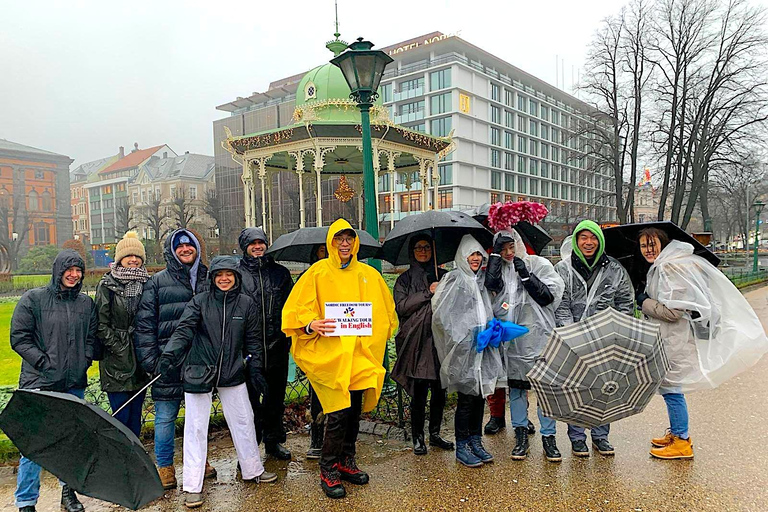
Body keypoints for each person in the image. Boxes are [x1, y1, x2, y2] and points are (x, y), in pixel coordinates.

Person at [282, 219, 397, 499]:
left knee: (354, 411)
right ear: (331, 243)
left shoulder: (368, 274)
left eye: (349, 238)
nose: (344, 244)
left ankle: (347, 460)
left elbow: (385, 311)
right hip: (330, 356)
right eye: (339, 239)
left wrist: (374, 336)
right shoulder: (318, 273)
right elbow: (296, 309)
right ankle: (328, 467)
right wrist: (312, 325)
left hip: (359, 356)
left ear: (354, 242)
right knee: (337, 412)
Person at [636, 227, 768, 460]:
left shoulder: (670, 268)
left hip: (673, 340)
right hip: (667, 338)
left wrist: (644, 301)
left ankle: (682, 440)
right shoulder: (663, 266)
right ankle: (677, 434)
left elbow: (673, 311)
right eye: (644, 245)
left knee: (672, 389)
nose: (648, 249)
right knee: (669, 388)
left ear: (663, 243)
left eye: (652, 244)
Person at [156, 256, 277, 508]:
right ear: (213, 278)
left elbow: (253, 341)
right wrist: (170, 355)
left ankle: (253, 469)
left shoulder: (246, 304)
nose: (224, 278)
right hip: (200, 371)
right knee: (196, 429)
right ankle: (192, 485)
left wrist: (255, 369)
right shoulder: (199, 301)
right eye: (219, 274)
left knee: (244, 420)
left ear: (236, 277)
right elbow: (184, 330)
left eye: (229, 274)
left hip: (232, 372)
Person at [11, 249, 98, 512]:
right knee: (34, 446)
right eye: (68, 270)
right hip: (40, 382)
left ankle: (68, 494)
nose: (73, 275)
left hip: (73, 383)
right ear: (58, 271)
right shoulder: (34, 299)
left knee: (70, 443)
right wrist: (42, 362)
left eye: (78, 270)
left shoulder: (85, 304)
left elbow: (92, 338)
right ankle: (26, 501)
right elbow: (20, 337)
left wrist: (85, 359)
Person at [135, 229, 212, 489]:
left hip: (200, 361)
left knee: (198, 418)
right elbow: (144, 326)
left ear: (196, 249)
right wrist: (153, 363)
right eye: (179, 247)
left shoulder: (208, 279)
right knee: (165, 418)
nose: (185, 250)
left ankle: (200, 461)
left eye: (189, 246)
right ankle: (165, 467)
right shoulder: (156, 283)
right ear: (172, 250)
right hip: (167, 362)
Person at [554, 220, 633, 457]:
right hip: (574, 340)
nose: (588, 243)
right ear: (576, 241)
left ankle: (601, 436)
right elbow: (561, 305)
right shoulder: (563, 269)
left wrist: (617, 332)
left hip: (605, 340)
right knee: (576, 389)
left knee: (603, 389)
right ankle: (577, 437)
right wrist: (573, 335)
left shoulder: (615, 269)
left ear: (600, 241)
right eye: (583, 238)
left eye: (593, 238)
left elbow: (625, 303)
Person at [485, 229, 564, 462]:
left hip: (540, 338)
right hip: (513, 343)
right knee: (517, 389)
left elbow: (551, 296)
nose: (509, 253)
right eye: (504, 249)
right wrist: (494, 267)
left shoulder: (539, 264)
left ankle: (549, 437)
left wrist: (527, 276)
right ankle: (520, 436)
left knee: (545, 389)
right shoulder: (500, 270)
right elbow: (491, 300)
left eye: (512, 247)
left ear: (520, 244)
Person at [432, 234, 506, 468]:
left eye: (478, 254)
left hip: (483, 350)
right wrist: (467, 336)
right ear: (462, 257)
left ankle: (476, 440)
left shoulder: (481, 280)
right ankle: (462, 444)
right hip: (464, 352)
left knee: (479, 397)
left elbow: (487, 308)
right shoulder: (454, 280)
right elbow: (443, 316)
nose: (475, 259)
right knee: (466, 400)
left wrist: (491, 329)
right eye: (471, 254)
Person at [391, 235, 453, 456]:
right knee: (419, 393)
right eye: (419, 248)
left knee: (439, 391)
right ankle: (418, 437)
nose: (423, 251)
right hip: (416, 341)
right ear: (412, 251)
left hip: (440, 340)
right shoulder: (404, 280)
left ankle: (435, 434)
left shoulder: (444, 276)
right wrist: (429, 292)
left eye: (427, 247)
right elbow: (401, 307)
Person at [237, 227, 294, 460]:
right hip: (248, 348)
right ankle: (249, 450)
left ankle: (273, 442)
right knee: (248, 401)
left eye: (261, 242)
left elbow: (291, 307)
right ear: (245, 246)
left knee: (275, 399)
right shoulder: (236, 274)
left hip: (277, 345)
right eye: (252, 243)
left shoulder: (280, 274)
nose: (257, 246)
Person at [95, 232, 151, 437]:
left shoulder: (148, 284)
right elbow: (101, 323)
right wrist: (119, 348)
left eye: (137, 256)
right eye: (129, 256)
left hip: (140, 355)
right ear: (120, 259)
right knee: (120, 416)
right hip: (116, 360)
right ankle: (120, 460)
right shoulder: (107, 285)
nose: (133, 260)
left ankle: (135, 461)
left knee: (136, 416)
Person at [302, 244, 327, 460]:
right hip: (316, 345)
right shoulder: (306, 278)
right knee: (317, 394)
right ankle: (317, 438)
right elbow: (298, 311)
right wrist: (311, 324)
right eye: (322, 250)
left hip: (341, 344)